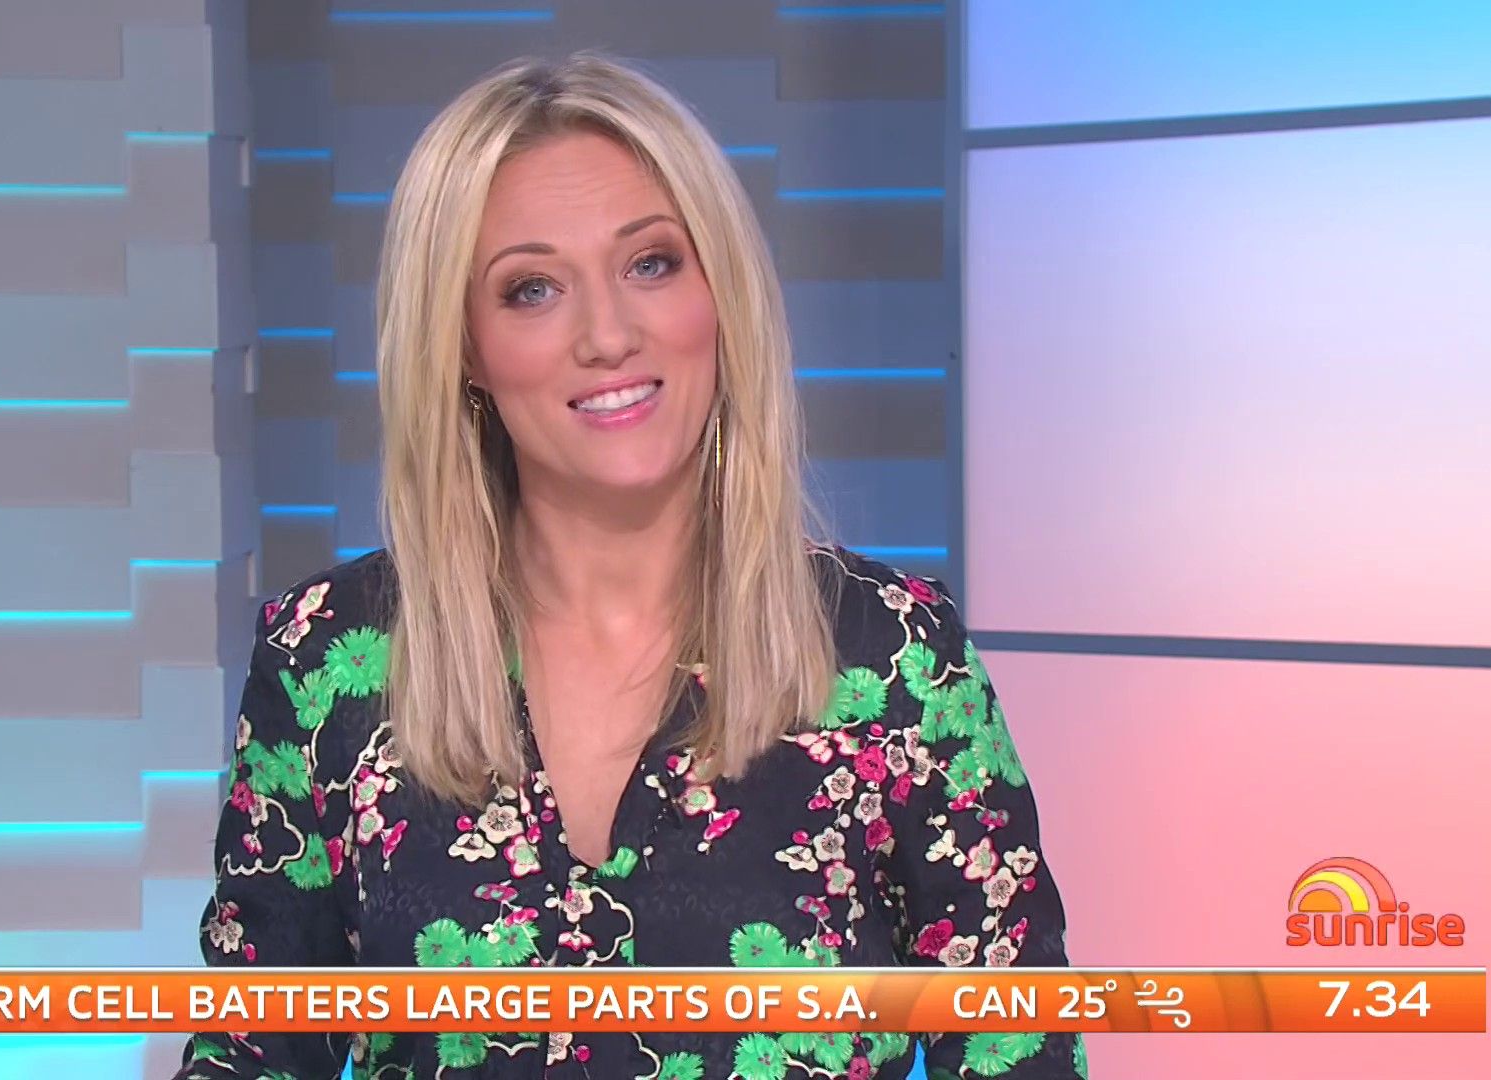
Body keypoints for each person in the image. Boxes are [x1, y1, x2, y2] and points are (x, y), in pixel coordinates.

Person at [174, 53, 1081, 1080]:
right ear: (463, 347)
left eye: (651, 264)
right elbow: (249, 1053)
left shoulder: (900, 658)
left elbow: (1019, 1052)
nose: (607, 335)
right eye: (531, 289)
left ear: (720, 293)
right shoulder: (324, 662)